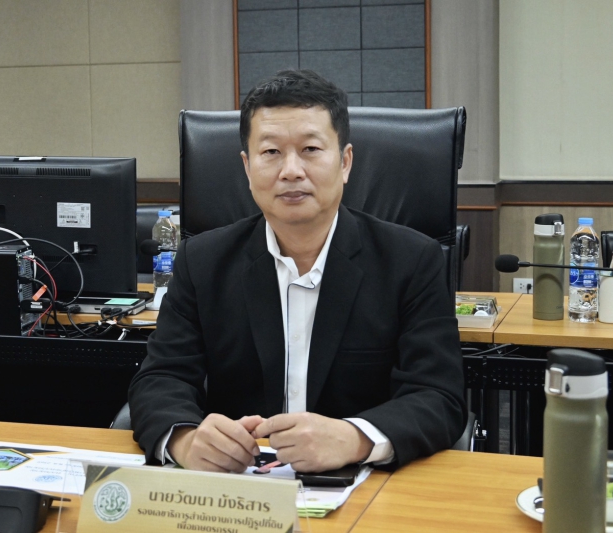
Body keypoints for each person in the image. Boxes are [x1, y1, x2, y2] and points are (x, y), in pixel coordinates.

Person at [128, 69, 465, 473]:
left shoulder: (411, 261)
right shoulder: (202, 261)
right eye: (271, 152)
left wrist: (355, 437)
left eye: (310, 149)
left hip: (367, 484)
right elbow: (160, 380)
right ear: (247, 167)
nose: (291, 170)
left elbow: (439, 396)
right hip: (239, 488)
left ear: (345, 162)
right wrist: (185, 441)